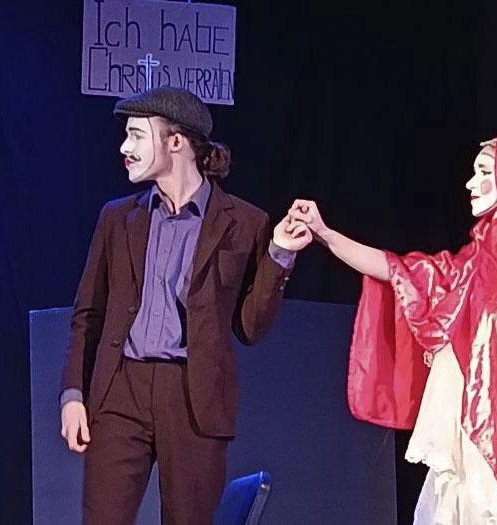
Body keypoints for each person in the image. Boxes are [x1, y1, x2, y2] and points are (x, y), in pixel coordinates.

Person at [288, 135, 497, 524]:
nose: (470, 183)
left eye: (484, 172)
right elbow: (398, 270)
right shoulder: (472, 266)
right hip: (471, 431)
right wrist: (325, 234)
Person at [59, 86, 311, 525]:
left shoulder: (244, 222)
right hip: (121, 388)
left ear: (175, 141)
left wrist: (279, 255)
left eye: (137, 136)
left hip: (194, 397)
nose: (125, 148)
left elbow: (250, 327)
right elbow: (88, 314)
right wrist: (72, 394)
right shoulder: (117, 218)